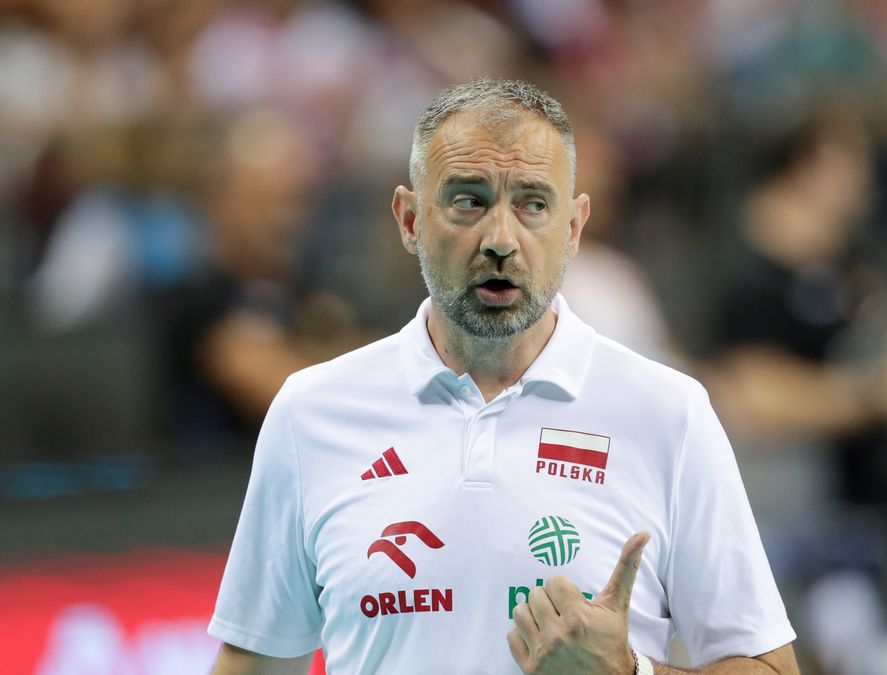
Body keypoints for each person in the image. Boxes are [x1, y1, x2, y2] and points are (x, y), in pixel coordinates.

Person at [206, 78, 800, 675]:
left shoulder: (670, 414)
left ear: (573, 227)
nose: (500, 240)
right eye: (468, 200)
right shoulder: (312, 412)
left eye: (533, 204)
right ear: (410, 219)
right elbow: (253, 662)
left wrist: (630, 673)